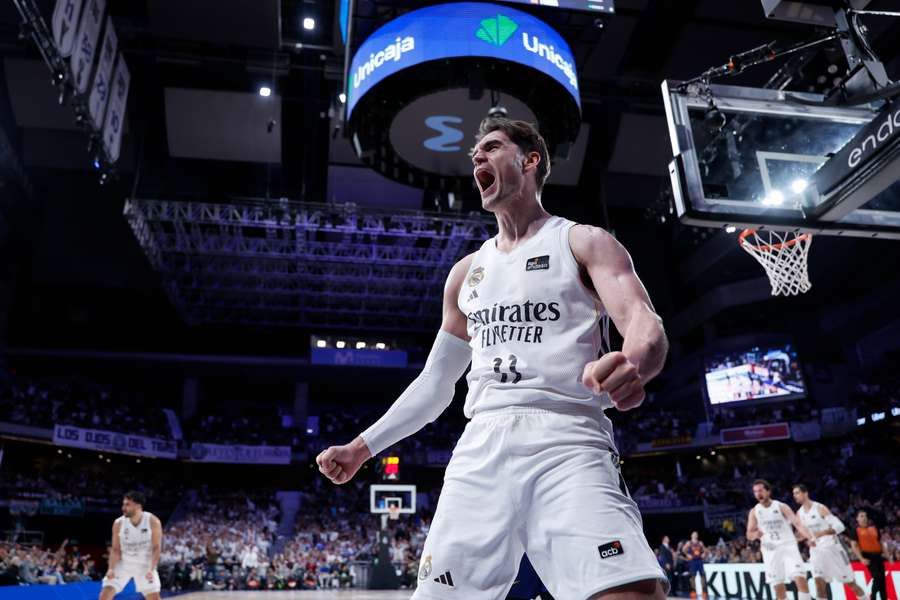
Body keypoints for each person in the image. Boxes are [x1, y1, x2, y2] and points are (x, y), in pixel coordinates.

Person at [317, 117, 669, 600]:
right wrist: (363, 448)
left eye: (491, 147)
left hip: (567, 439)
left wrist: (635, 361)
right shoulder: (466, 273)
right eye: (475, 154)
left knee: (629, 592)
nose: (477, 158)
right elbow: (436, 384)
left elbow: (643, 321)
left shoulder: (583, 241)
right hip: (480, 447)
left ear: (530, 161)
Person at [792, 484, 869, 600]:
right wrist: (798, 539)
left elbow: (839, 526)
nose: (794, 496)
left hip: (833, 549)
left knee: (851, 583)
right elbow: (803, 534)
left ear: (805, 493)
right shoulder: (799, 513)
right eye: (793, 494)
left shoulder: (819, 508)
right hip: (816, 552)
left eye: (797, 493)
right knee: (819, 585)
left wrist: (820, 533)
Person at [746, 480, 816, 600]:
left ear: (768, 491)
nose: (758, 494)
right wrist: (755, 534)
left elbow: (797, 524)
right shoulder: (754, 511)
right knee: (779, 591)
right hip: (770, 551)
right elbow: (748, 534)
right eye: (755, 492)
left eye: (761, 490)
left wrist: (811, 537)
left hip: (788, 547)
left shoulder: (781, 506)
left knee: (800, 579)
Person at [99, 491, 163, 600]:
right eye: (123, 504)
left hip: (144, 564)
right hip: (124, 563)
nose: (123, 508)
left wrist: (151, 569)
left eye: (127, 504)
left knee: (154, 598)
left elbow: (156, 548)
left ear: (138, 506)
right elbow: (115, 549)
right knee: (105, 594)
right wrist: (111, 568)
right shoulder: (118, 523)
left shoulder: (153, 521)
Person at [848, 510, 887, 600]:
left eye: (865, 516)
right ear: (857, 519)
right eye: (861, 516)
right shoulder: (855, 530)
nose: (864, 518)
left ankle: (883, 598)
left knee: (882, 580)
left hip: (878, 555)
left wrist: (888, 555)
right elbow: (854, 546)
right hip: (867, 556)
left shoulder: (874, 528)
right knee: (877, 578)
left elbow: (880, 542)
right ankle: (872, 597)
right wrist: (861, 558)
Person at [682, 531, 708, 599]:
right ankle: (693, 591)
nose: (695, 535)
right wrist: (687, 555)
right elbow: (683, 550)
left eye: (696, 534)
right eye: (694, 534)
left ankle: (704, 591)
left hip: (699, 561)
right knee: (693, 577)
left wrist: (704, 554)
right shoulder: (689, 543)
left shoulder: (700, 543)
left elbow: (706, 550)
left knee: (702, 576)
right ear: (691, 535)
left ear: (697, 536)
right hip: (693, 561)